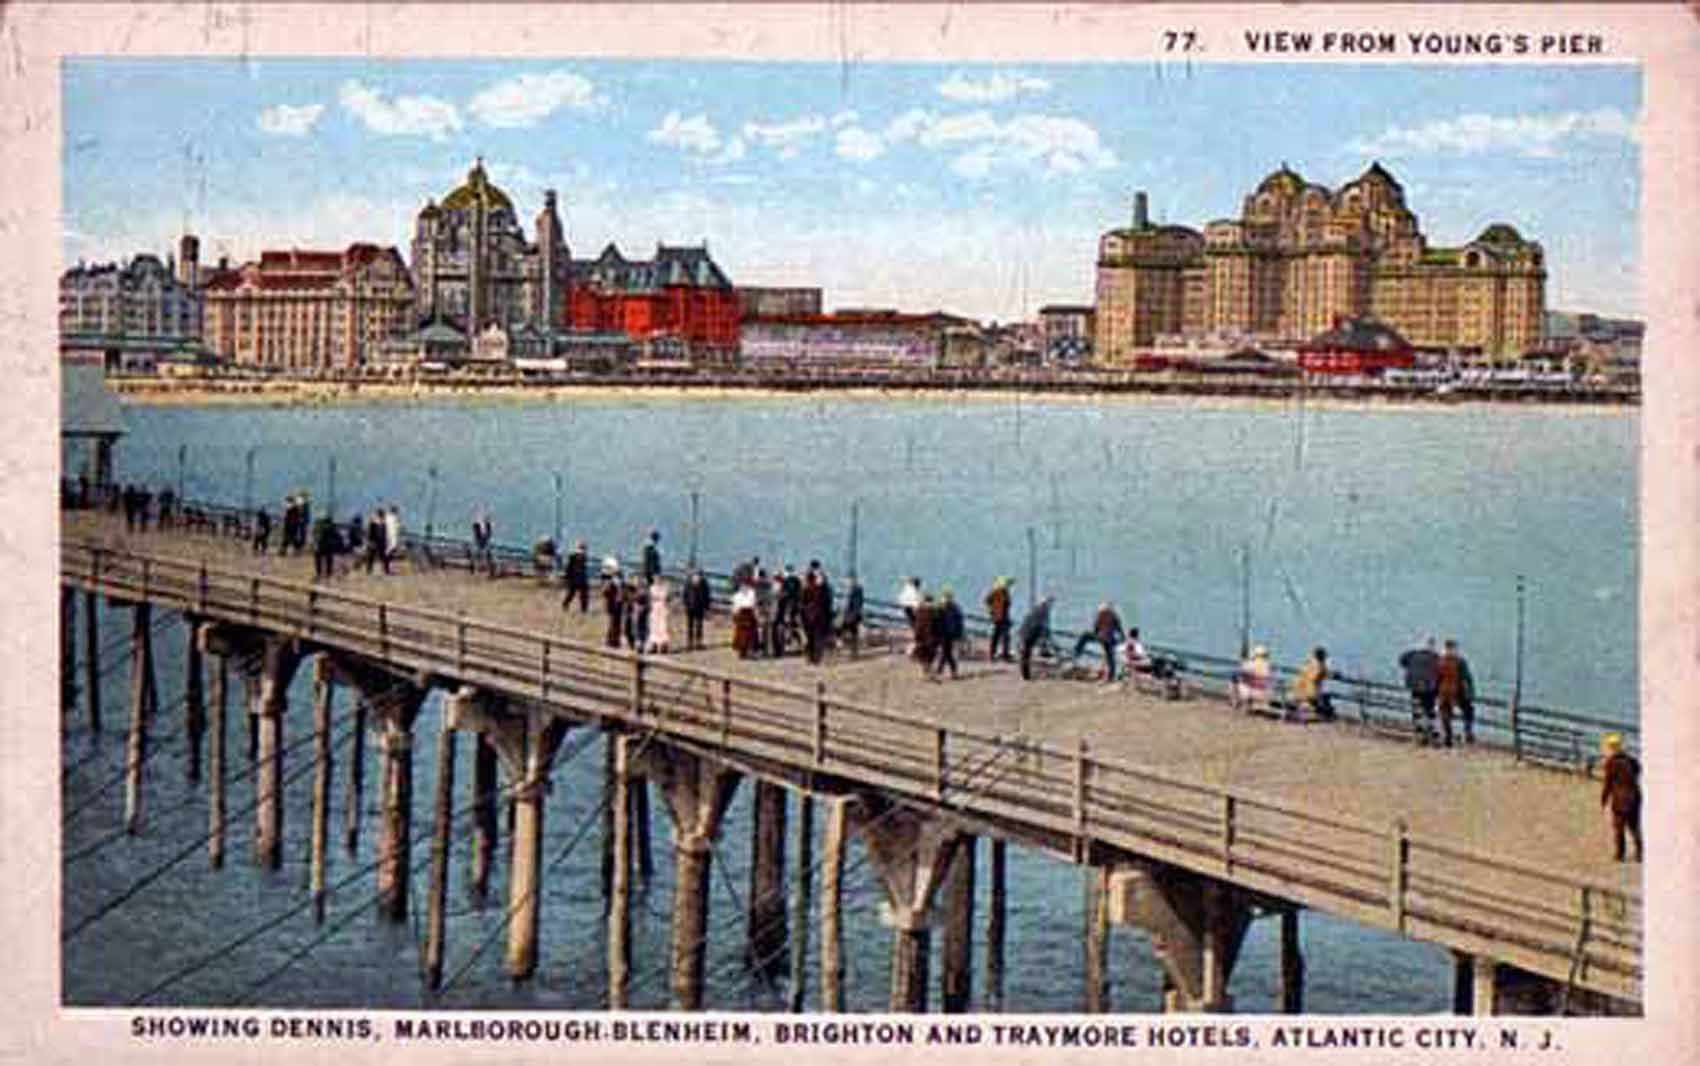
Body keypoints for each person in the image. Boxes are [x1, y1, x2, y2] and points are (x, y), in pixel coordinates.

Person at [1599, 733, 1642, 863]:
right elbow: (1638, 770)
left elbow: (1608, 783)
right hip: (1635, 796)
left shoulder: (1611, 763)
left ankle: (1620, 854)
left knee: (1619, 828)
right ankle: (1640, 853)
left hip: (1620, 799)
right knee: (1634, 826)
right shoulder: (1631, 760)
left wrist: (1603, 800)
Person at [1398, 637, 1441, 745]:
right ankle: (1431, 734)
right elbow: (1440, 671)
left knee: (1417, 710)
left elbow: (1402, 661)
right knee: (1430, 711)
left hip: (1415, 686)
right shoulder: (1436, 657)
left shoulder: (1412, 655)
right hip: (1430, 689)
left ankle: (1419, 733)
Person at [1435, 639, 1475, 747]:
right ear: (1454, 648)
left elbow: (1437, 677)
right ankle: (1468, 733)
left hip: (1443, 690)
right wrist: (1471, 692)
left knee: (1445, 714)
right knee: (1468, 711)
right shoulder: (1460, 661)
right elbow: (1467, 678)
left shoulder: (1440, 661)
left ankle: (1448, 736)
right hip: (1457, 690)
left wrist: (1435, 690)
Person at [1073, 602, 1125, 682]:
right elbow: (1097, 628)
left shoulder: (1112, 617)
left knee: (1109, 656)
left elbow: (1119, 630)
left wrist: (1120, 639)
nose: (1103, 614)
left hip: (1108, 638)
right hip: (1103, 637)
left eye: (1105, 613)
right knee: (1085, 636)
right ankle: (1077, 652)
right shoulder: (1105, 616)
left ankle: (1111, 675)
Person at [1291, 647, 1336, 722]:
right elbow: (1324, 675)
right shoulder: (1321, 667)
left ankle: (1314, 709)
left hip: (1299, 691)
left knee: (1323, 697)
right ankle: (1323, 714)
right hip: (1311, 694)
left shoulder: (1307, 664)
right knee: (1327, 696)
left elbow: (1307, 674)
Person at [1017, 595, 1055, 681]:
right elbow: (1043, 626)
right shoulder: (1043, 612)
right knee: (1025, 655)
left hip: (1026, 633)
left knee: (1025, 655)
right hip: (1029, 634)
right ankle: (1026, 676)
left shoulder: (1034, 611)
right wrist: (1045, 637)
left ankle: (1026, 675)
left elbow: (1028, 622)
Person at [933, 587, 964, 680]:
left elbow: (936, 621)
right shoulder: (954, 607)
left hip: (946, 633)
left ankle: (941, 671)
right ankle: (949, 671)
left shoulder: (943, 607)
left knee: (946, 652)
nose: (946, 598)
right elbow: (959, 622)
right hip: (947, 633)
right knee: (947, 653)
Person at [1233, 645, 1275, 714]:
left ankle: (1238, 703)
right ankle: (1247, 705)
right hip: (1266, 693)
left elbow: (1241, 671)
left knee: (1237, 681)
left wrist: (1245, 662)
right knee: (1243, 681)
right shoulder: (1268, 666)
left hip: (1252, 692)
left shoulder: (1251, 664)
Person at [984, 577, 1014, 662]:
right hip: (998, 617)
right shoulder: (996, 592)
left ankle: (1005, 654)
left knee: (1006, 636)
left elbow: (1007, 605)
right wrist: (991, 611)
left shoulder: (1006, 593)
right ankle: (992, 654)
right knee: (996, 636)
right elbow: (987, 601)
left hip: (1005, 617)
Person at [682, 568, 712, 651]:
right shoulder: (688, 583)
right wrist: (685, 604)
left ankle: (698, 642)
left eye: (698, 575)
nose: (697, 577)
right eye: (696, 575)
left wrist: (707, 607)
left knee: (699, 625)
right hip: (690, 607)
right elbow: (685, 594)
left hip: (700, 607)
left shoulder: (704, 583)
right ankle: (689, 643)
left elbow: (707, 596)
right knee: (690, 625)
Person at [731, 580, 759, 659]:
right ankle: (742, 652)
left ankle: (748, 651)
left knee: (750, 635)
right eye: (743, 586)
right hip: (741, 614)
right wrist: (734, 616)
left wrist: (756, 615)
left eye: (746, 586)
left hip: (749, 614)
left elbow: (754, 605)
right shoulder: (737, 595)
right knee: (741, 634)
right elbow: (735, 606)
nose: (744, 588)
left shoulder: (752, 593)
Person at [839, 576, 865, 658]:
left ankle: (852, 651)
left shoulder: (855, 590)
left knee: (847, 631)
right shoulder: (855, 590)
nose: (847, 583)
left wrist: (850, 614)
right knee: (853, 633)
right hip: (852, 615)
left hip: (852, 615)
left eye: (848, 581)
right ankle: (853, 651)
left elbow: (853, 604)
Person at [646, 577, 673, 654]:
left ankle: (664, 645)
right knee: (654, 627)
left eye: (658, 579)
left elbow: (667, 598)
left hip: (662, 609)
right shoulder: (652, 588)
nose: (657, 581)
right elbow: (650, 598)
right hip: (654, 609)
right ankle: (654, 645)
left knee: (663, 627)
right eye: (655, 579)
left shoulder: (665, 588)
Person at [563, 541, 591, 612]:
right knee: (574, 593)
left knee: (579, 594)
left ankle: (583, 608)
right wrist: (567, 577)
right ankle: (582, 608)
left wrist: (567, 577)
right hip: (576, 577)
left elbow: (568, 568)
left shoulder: (580, 556)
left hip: (579, 577)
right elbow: (569, 568)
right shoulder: (574, 556)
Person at [601, 566, 623, 649]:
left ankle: (613, 640)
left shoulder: (614, 582)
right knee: (614, 622)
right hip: (614, 604)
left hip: (615, 604)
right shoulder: (613, 582)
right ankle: (612, 641)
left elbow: (605, 593)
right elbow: (605, 593)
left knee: (615, 623)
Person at [311, 515, 339, 579]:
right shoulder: (332, 527)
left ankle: (319, 574)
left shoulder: (320, 526)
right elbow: (336, 537)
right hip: (328, 546)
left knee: (319, 559)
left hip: (322, 546)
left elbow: (316, 536)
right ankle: (328, 574)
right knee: (328, 560)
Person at [472, 511, 494, 576]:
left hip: (482, 541)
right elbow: (486, 534)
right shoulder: (478, 526)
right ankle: (479, 568)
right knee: (482, 554)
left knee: (484, 554)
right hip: (481, 541)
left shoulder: (483, 526)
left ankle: (482, 568)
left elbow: (488, 534)